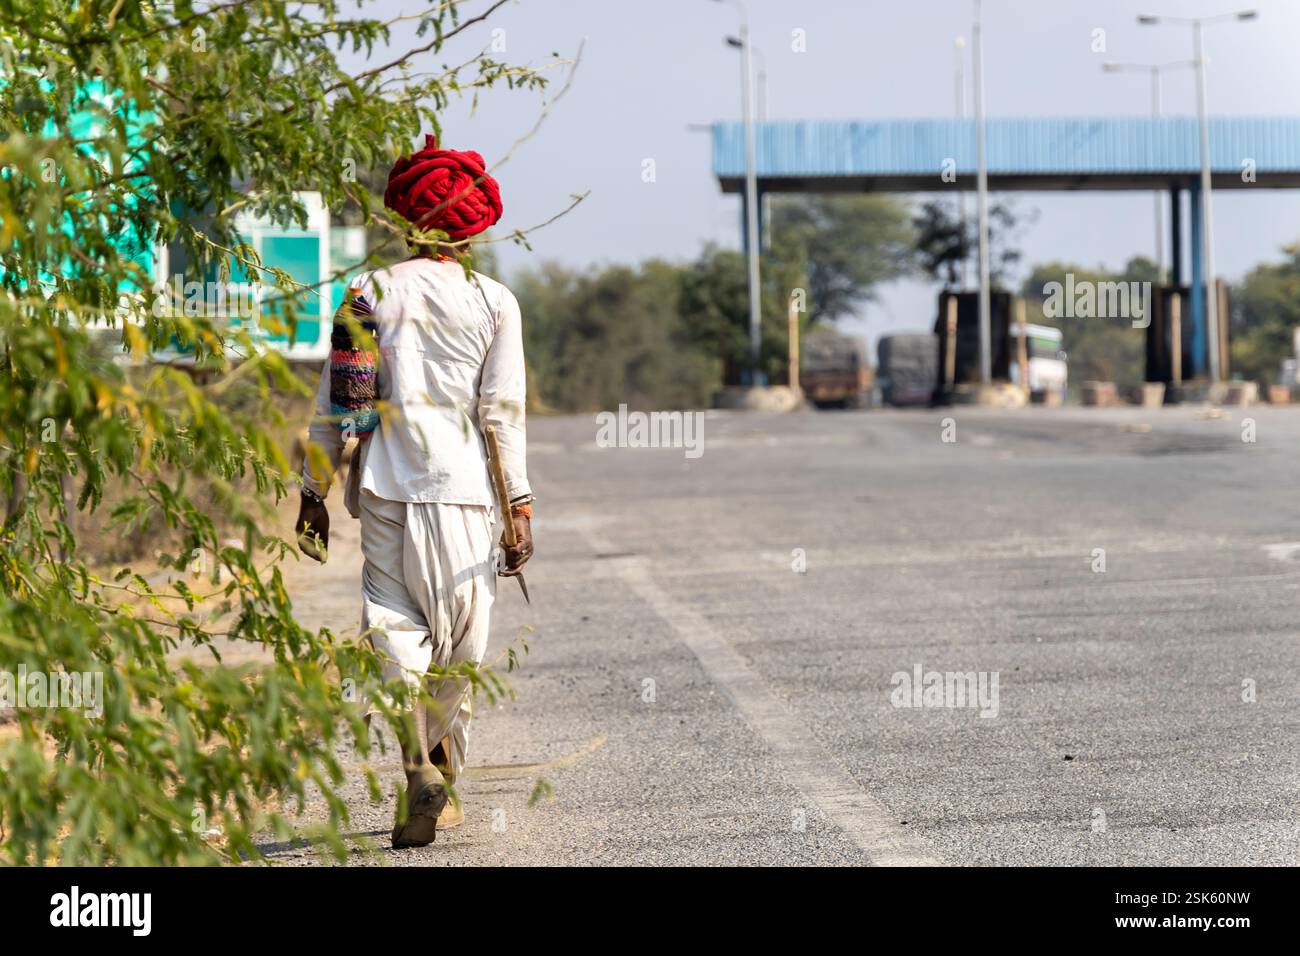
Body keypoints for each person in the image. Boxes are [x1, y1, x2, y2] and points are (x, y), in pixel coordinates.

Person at [295, 134, 533, 848]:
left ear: (405, 221)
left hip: (390, 488)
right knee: (462, 646)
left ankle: (413, 764)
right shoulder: (496, 301)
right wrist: (518, 504)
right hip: (465, 494)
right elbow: (501, 414)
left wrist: (312, 489)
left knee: (393, 628)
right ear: (475, 228)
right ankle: (438, 766)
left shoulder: (367, 292)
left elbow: (345, 403)